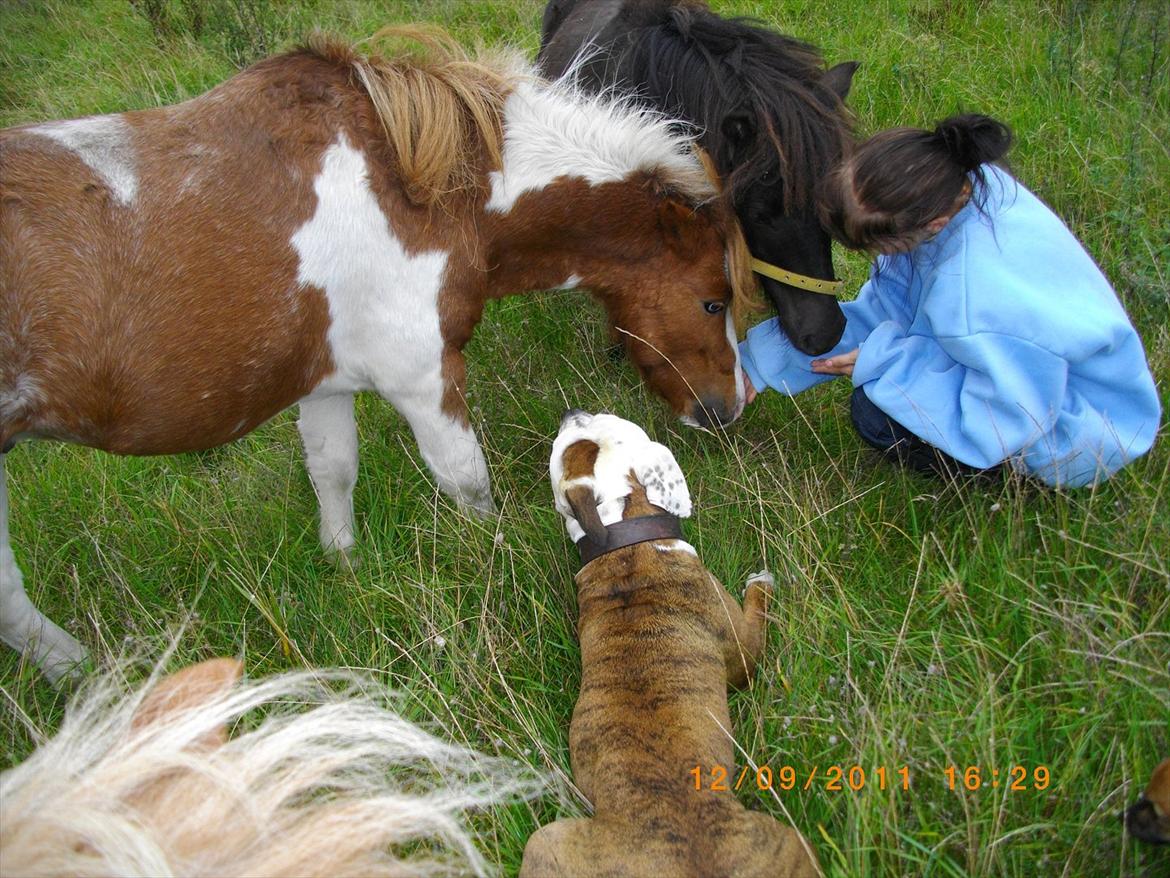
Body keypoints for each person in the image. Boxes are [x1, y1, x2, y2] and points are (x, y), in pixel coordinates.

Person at [739, 113, 1161, 487]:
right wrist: (758, 362)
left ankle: (1019, 482)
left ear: (931, 225)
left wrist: (887, 362)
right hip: (1025, 370)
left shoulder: (976, 295)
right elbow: (889, 311)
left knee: (874, 413)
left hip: (1072, 429)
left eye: (876, 250)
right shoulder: (958, 184)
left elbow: (996, 423)